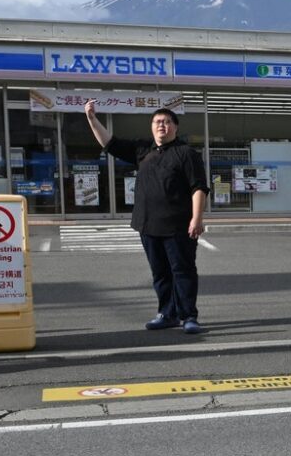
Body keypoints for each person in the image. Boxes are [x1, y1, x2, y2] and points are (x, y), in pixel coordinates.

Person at [84, 101, 209, 333]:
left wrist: (196, 219)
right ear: (152, 127)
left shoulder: (187, 154)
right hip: (148, 224)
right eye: (157, 122)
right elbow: (108, 143)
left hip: (179, 226)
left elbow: (198, 188)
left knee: (183, 271)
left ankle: (189, 316)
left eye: (167, 122)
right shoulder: (143, 150)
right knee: (160, 273)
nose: (162, 125)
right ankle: (166, 313)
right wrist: (92, 119)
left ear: (175, 127)